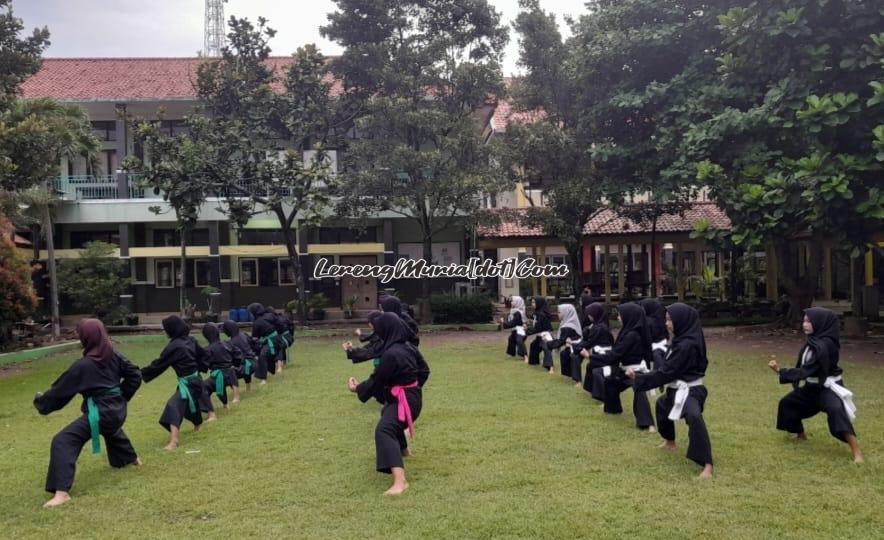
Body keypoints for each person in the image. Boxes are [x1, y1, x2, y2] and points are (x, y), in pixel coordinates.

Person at [34, 319, 142, 508]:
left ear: (86, 338)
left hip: (102, 412)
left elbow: (60, 391)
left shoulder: (83, 366)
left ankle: (61, 493)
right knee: (109, 428)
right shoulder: (114, 357)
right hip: (117, 411)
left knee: (63, 441)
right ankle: (132, 459)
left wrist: (41, 402)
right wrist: (121, 397)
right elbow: (135, 374)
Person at [625, 303, 713, 478]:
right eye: (666, 319)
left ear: (681, 321)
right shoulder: (681, 340)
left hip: (690, 391)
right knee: (662, 406)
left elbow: (667, 372)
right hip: (676, 389)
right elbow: (667, 368)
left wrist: (639, 378)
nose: (666, 323)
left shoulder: (687, 344)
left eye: (670, 320)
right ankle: (670, 442)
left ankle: (708, 465)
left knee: (694, 417)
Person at [348, 313, 430, 496]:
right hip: (412, 397)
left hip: (404, 399)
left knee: (384, 430)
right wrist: (413, 388)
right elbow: (424, 370)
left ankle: (400, 482)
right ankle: (404, 451)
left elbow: (377, 380)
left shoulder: (391, 354)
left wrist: (357, 389)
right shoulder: (408, 347)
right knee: (387, 415)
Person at [768, 307, 863, 463]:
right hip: (812, 387)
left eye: (809, 321)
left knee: (836, 411)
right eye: (804, 320)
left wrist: (780, 371)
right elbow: (805, 368)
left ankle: (857, 452)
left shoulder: (826, 346)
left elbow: (808, 369)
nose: (805, 324)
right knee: (787, 404)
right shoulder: (814, 341)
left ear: (820, 323)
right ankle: (800, 434)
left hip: (827, 388)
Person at [141, 315, 209, 450]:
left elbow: (158, 365)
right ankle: (198, 426)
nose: (165, 331)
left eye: (166, 329)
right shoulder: (191, 340)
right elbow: (203, 355)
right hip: (197, 381)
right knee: (190, 403)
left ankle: (174, 441)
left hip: (189, 383)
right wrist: (200, 367)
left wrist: (139, 374)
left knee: (173, 405)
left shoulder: (174, 347)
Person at [593, 303, 656, 431]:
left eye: (620, 315)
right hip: (624, 369)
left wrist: (591, 356)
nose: (618, 318)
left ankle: (648, 423)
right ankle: (613, 409)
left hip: (635, 370)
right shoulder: (627, 332)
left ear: (629, 317)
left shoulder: (632, 335)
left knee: (639, 390)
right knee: (611, 383)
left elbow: (615, 354)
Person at [572, 303, 614, 387]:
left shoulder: (600, 327)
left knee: (586, 362)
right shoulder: (597, 324)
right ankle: (582, 383)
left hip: (601, 351)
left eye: (590, 314)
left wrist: (576, 346)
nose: (588, 316)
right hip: (594, 347)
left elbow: (590, 342)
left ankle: (587, 386)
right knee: (576, 356)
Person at [200, 323, 240, 409]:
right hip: (230, 373)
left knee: (203, 386)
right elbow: (237, 354)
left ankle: (223, 404)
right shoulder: (227, 344)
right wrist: (235, 364)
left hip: (219, 375)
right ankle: (236, 397)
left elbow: (204, 365)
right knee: (230, 372)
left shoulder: (207, 349)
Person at [543, 304, 582, 378]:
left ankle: (571, 376)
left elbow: (561, 341)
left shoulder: (567, 326)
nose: (557, 314)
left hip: (575, 348)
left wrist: (549, 343)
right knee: (564, 354)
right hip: (571, 346)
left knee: (567, 354)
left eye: (559, 312)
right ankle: (567, 374)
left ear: (566, 313)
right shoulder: (569, 323)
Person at [222, 320, 257, 393]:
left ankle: (235, 393)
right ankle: (248, 389)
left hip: (248, 365)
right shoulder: (243, 335)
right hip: (254, 362)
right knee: (243, 364)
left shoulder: (232, 342)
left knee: (229, 373)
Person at [639, 299, 669, 370]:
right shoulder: (661, 318)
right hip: (663, 344)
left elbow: (645, 338)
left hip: (651, 347)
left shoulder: (647, 321)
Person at [525, 296, 554, 371]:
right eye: (532, 302)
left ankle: (550, 367)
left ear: (539, 303)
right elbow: (535, 323)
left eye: (534, 302)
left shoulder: (542, 314)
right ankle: (534, 362)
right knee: (534, 346)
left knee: (546, 348)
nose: (532, 304)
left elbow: (538, 328)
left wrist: (527, 331)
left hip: (545, 335)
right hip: (540, 334)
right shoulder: (537, 312)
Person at [500, 295, 528, 361]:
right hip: (516, 329)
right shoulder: (514, 310)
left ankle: (525, 356)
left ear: (517, 302)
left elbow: (513, 323)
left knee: (519, 340)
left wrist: (504, 322)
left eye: (513, 301)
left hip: (521, 330)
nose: (511, 302)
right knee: (511, 339)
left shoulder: (518, 312)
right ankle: (511, 353)